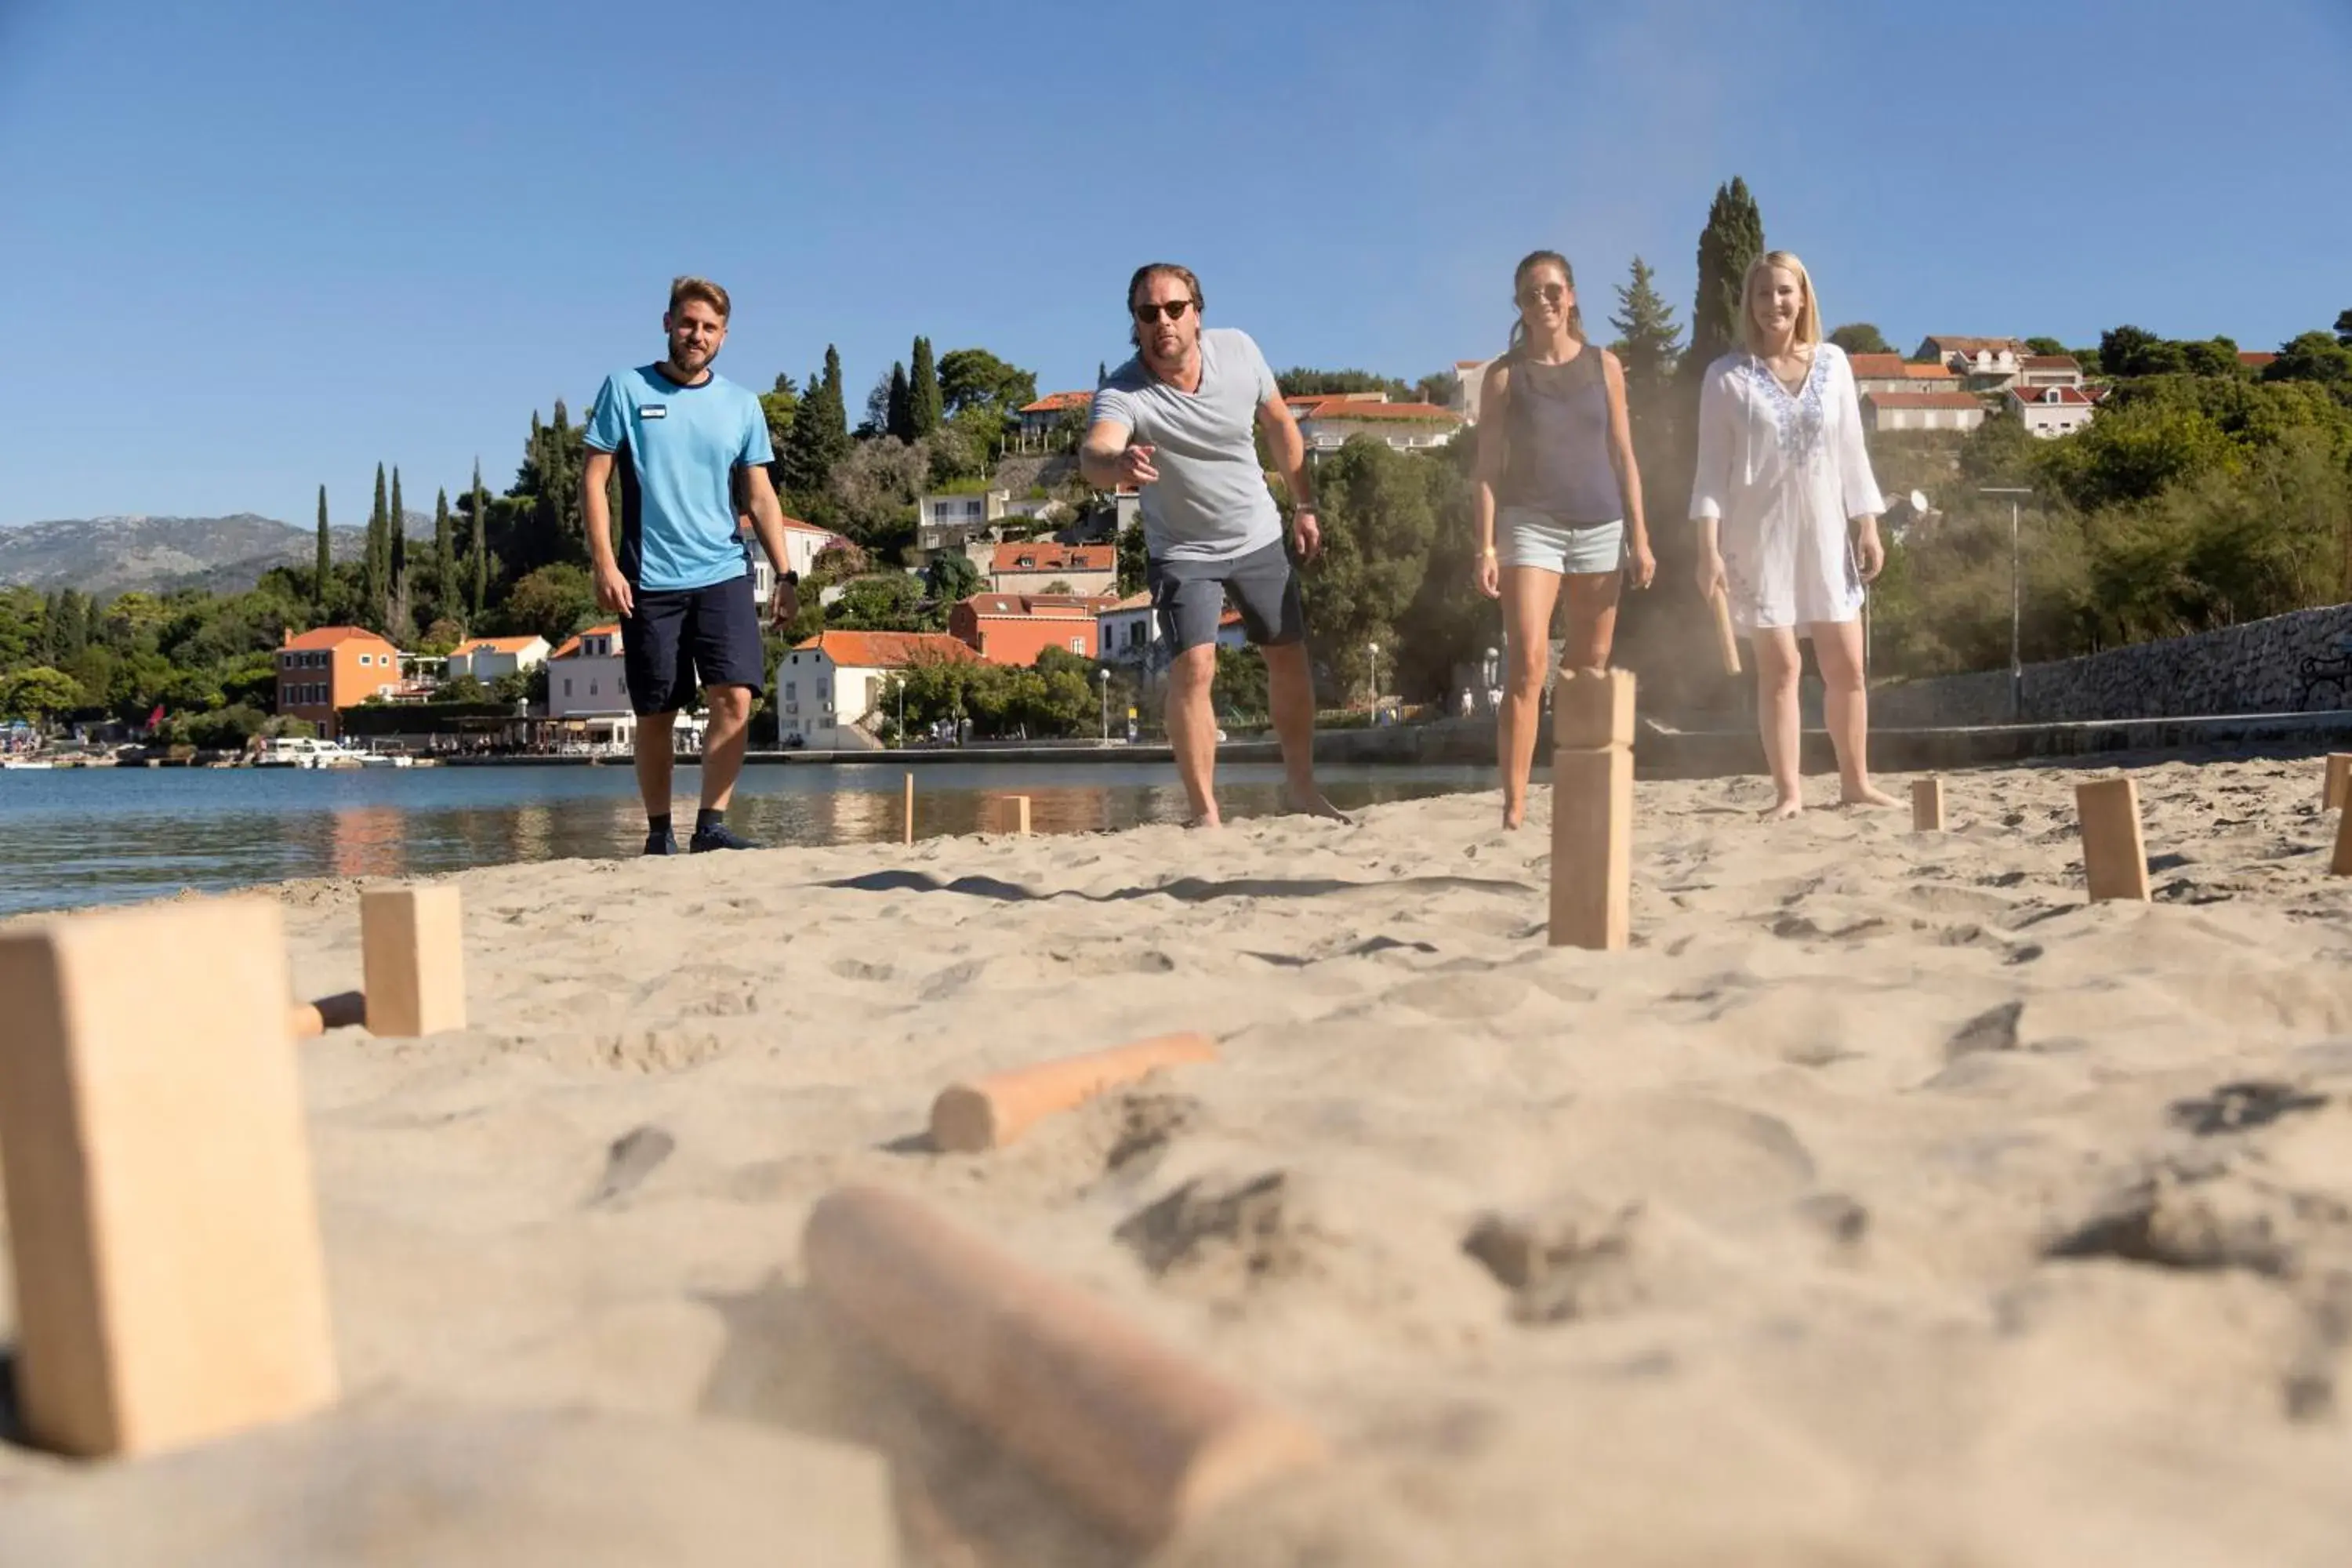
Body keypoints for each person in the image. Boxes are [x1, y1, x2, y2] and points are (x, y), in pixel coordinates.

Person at [1080, 263, 1344, 828]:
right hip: (1182, 551)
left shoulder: (1240, 352)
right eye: (1148, 313)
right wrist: (1117, 462)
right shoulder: (1123, 391)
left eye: (1175, 309)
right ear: (1136, 323)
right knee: (1195, 666)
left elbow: (1278, 425)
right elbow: (1094, 455)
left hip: (1256, 534)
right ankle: (1205, 813)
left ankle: (1301, 790)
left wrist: (1305, 505)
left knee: (1289, 658)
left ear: (1197, 313)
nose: (1163, 321)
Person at [581, 275, 800, 855]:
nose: (696, 335)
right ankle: (659, 834)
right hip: (649, 577)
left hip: (724, 571)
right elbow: (594, 480)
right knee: (657, 710)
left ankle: (712, 826)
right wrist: (605, 563)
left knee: (736, 696)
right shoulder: (625, 389)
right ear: (667, 324)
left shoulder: (741, 405)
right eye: (687, 323)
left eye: (708, 327)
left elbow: (760, 496)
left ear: (724, 337)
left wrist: (785, 574)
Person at [1690, 250, 1896, 818]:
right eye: (1763, 294)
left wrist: (1868, 524)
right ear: (1749, 305)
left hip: (1828, 536)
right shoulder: (1726, 378)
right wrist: (1707, 549)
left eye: (1785, 291)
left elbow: (1853, 452)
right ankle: (1789, 792)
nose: (1774, 303)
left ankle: (1855, 782)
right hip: (1759, 542)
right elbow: (1710, 471)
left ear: (1803, 297)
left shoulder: (1834, 364)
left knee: (1848, 668)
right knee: (1781, 670)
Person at [1473, 249, 1656, 829]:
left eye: (1553, 290)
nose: (1544, 300)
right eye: (1531, 293)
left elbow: (1624, 454)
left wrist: (1642, 537)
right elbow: (1485, 470)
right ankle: (1515, 806)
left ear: (1571, 296)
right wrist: (1486, 546)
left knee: (1588, 665)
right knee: (1528, 663)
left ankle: (1574, 789)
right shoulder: (1504, 376)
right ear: (1520, 305)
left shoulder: (1606, 366)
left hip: (1602, 526)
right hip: (1530, 525)